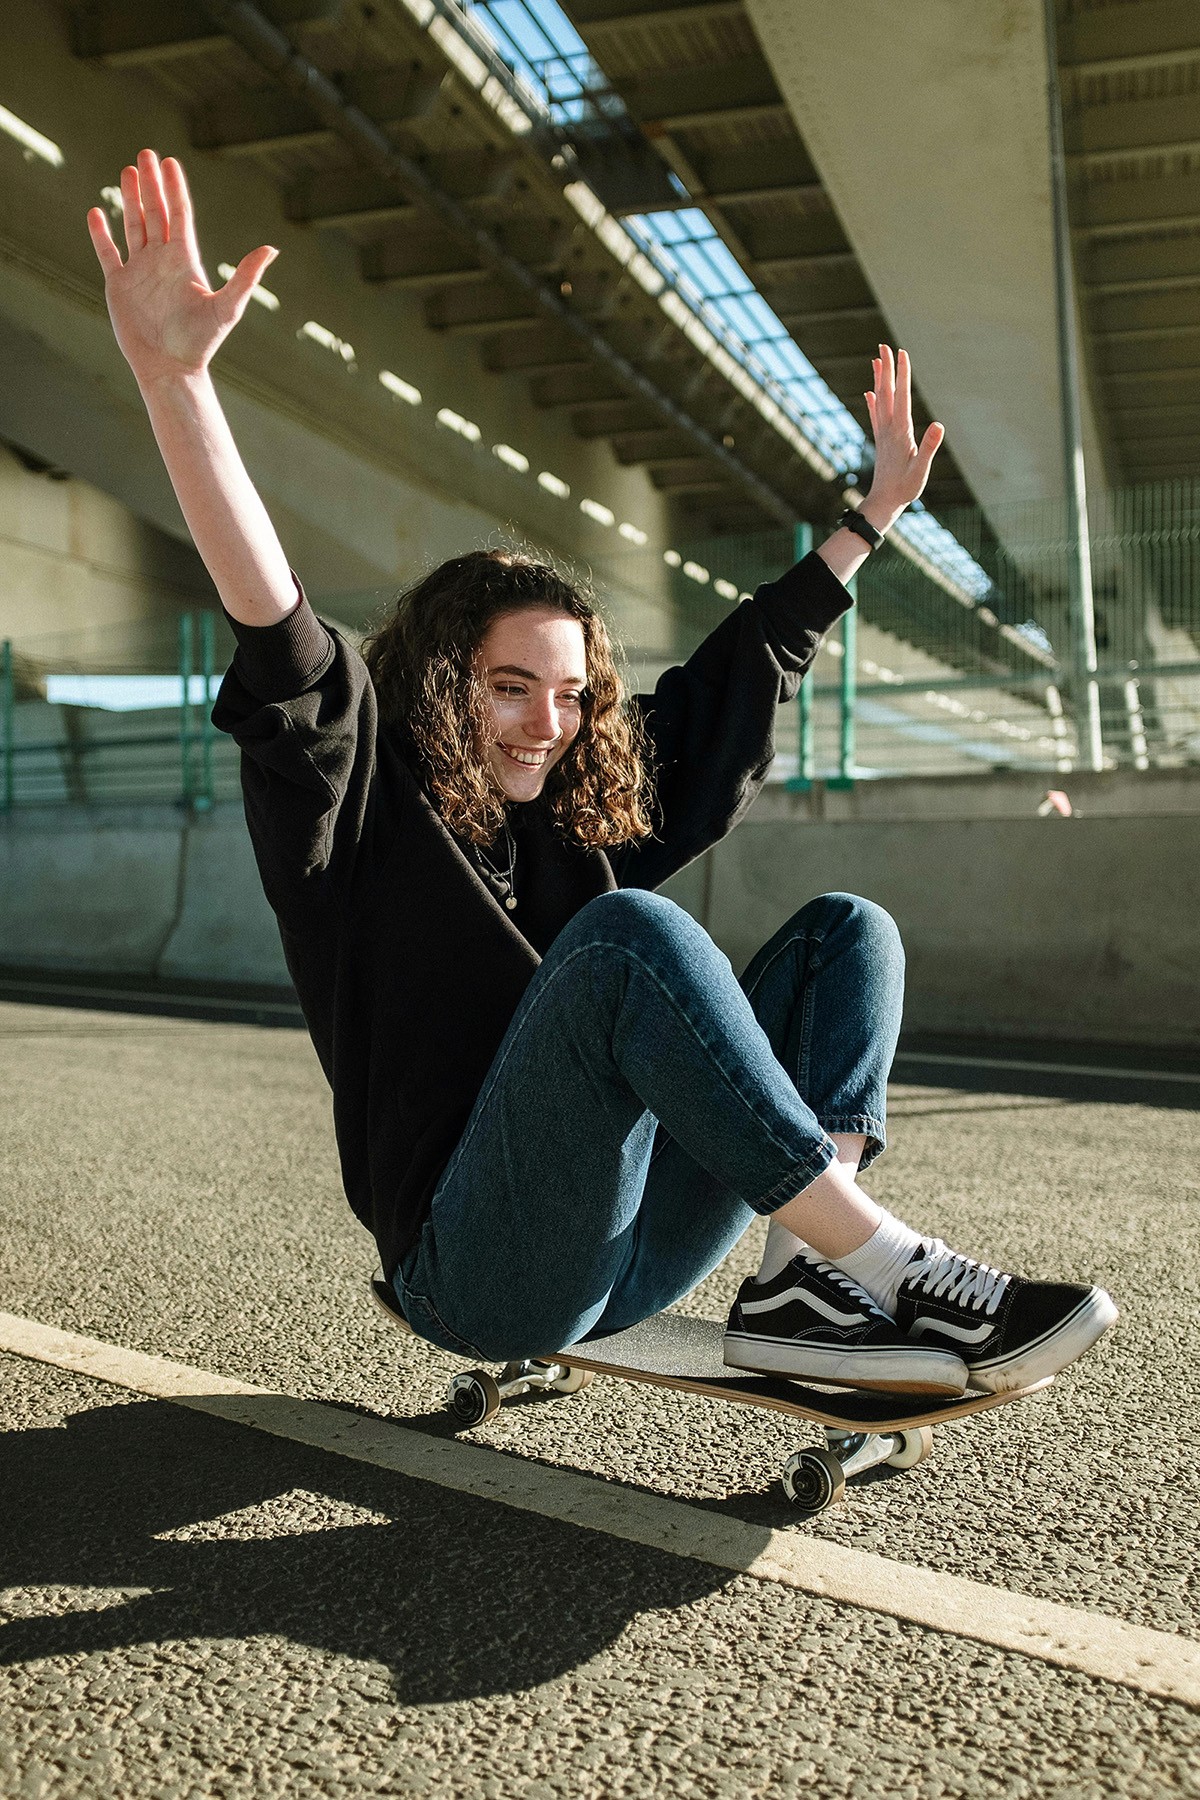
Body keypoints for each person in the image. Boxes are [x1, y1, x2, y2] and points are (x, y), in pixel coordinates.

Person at [88, 150, 1116, 1398]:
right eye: (509, 686)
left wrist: (867, 523)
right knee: (632, 939)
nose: (545, 724)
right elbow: (277, 626)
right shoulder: (361, 804)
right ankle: (897, 1268)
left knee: (849, 935)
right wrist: (177, 381)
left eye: (573, 695)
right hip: (475, 1270)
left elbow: (738, 676)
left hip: (630, 1245)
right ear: (436, 683)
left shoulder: (587, 814)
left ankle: (811, 1278)